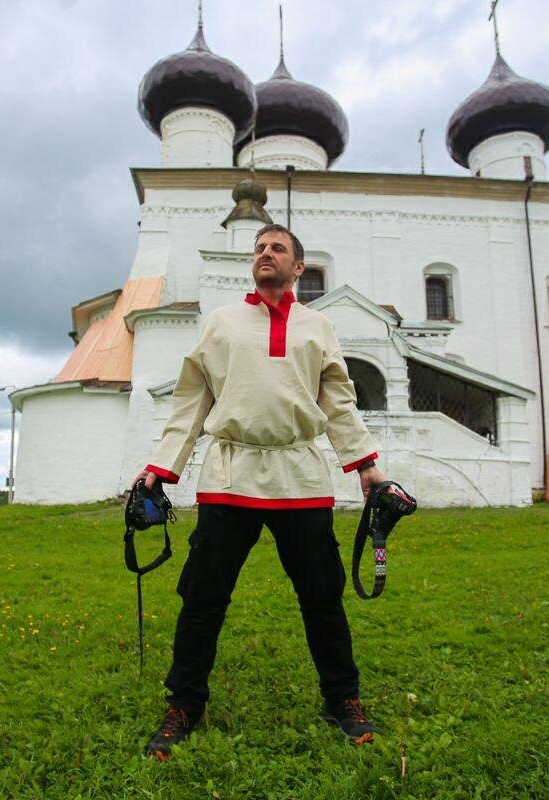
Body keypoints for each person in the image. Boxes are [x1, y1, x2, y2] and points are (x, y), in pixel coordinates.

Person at [133, 223, 398, 761]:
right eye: (259, 248)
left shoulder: (318, 326)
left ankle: (342, 699)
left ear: (298, 267)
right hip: (230, 475)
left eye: (277, 248)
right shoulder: (222, 323)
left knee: (322, 597)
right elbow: (191, 401)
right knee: (203, 599)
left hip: (301, 476)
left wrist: (366, 466)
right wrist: (161, 467)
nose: (265, 254)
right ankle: (185, 704)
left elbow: (339, 401)